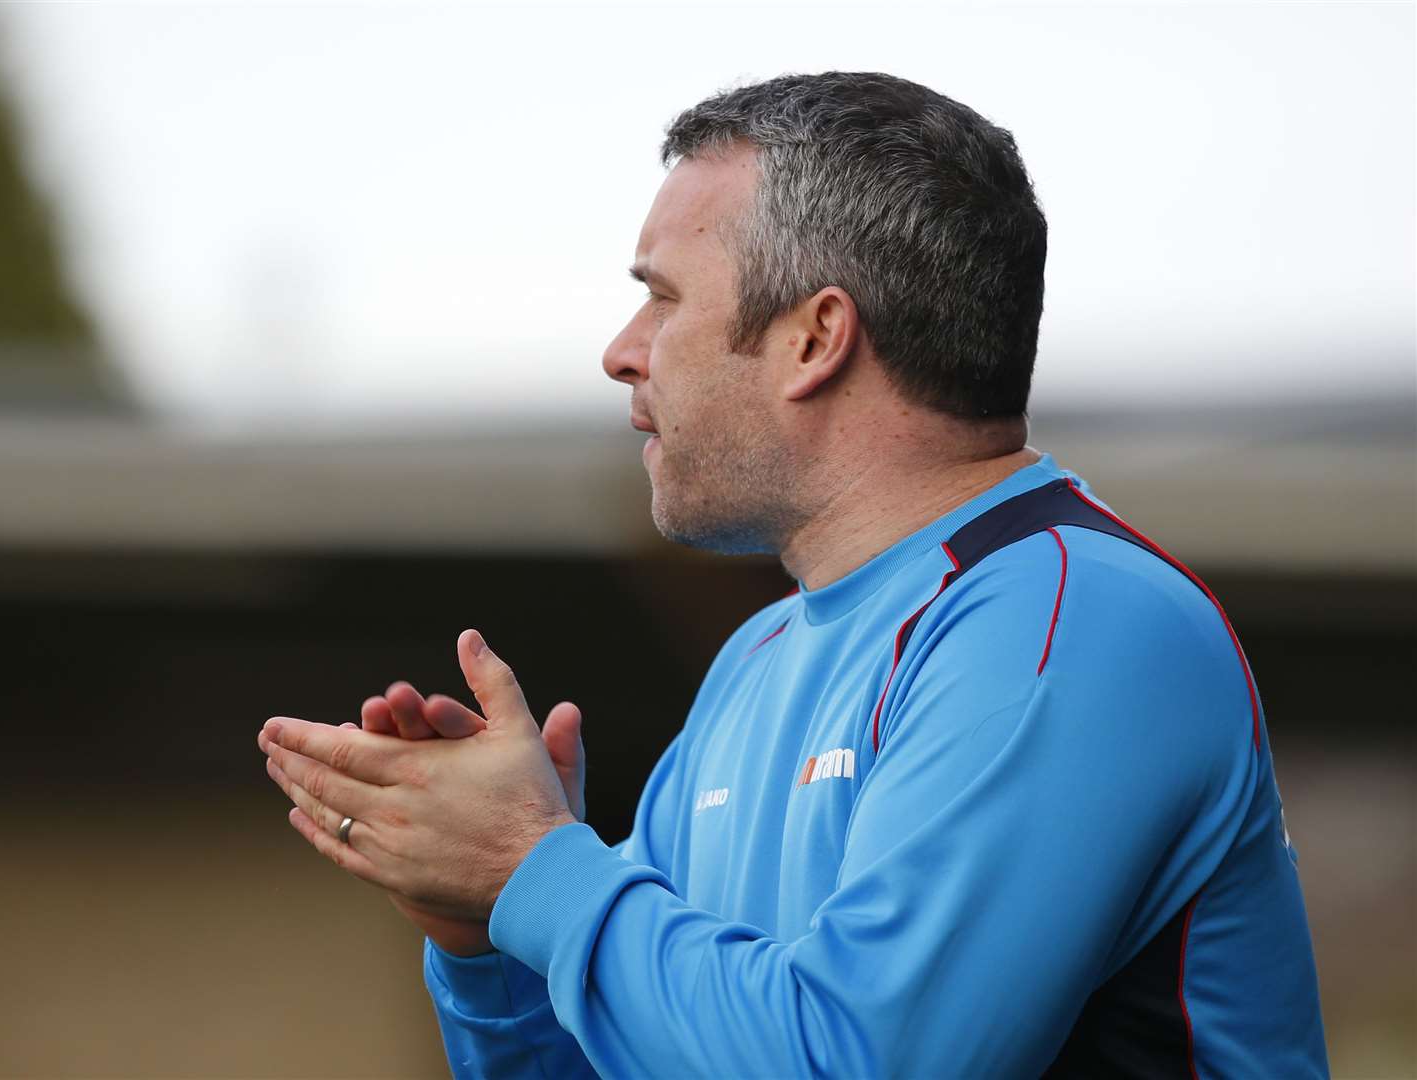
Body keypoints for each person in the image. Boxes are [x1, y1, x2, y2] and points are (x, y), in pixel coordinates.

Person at [257, 72, 1328, 1077]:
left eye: (663, 299)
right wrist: (485, 930)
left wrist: (533, 868)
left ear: (814, 338)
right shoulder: (760, 657)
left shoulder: (1075, 619)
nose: (622, 351)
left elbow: (865, 1060)